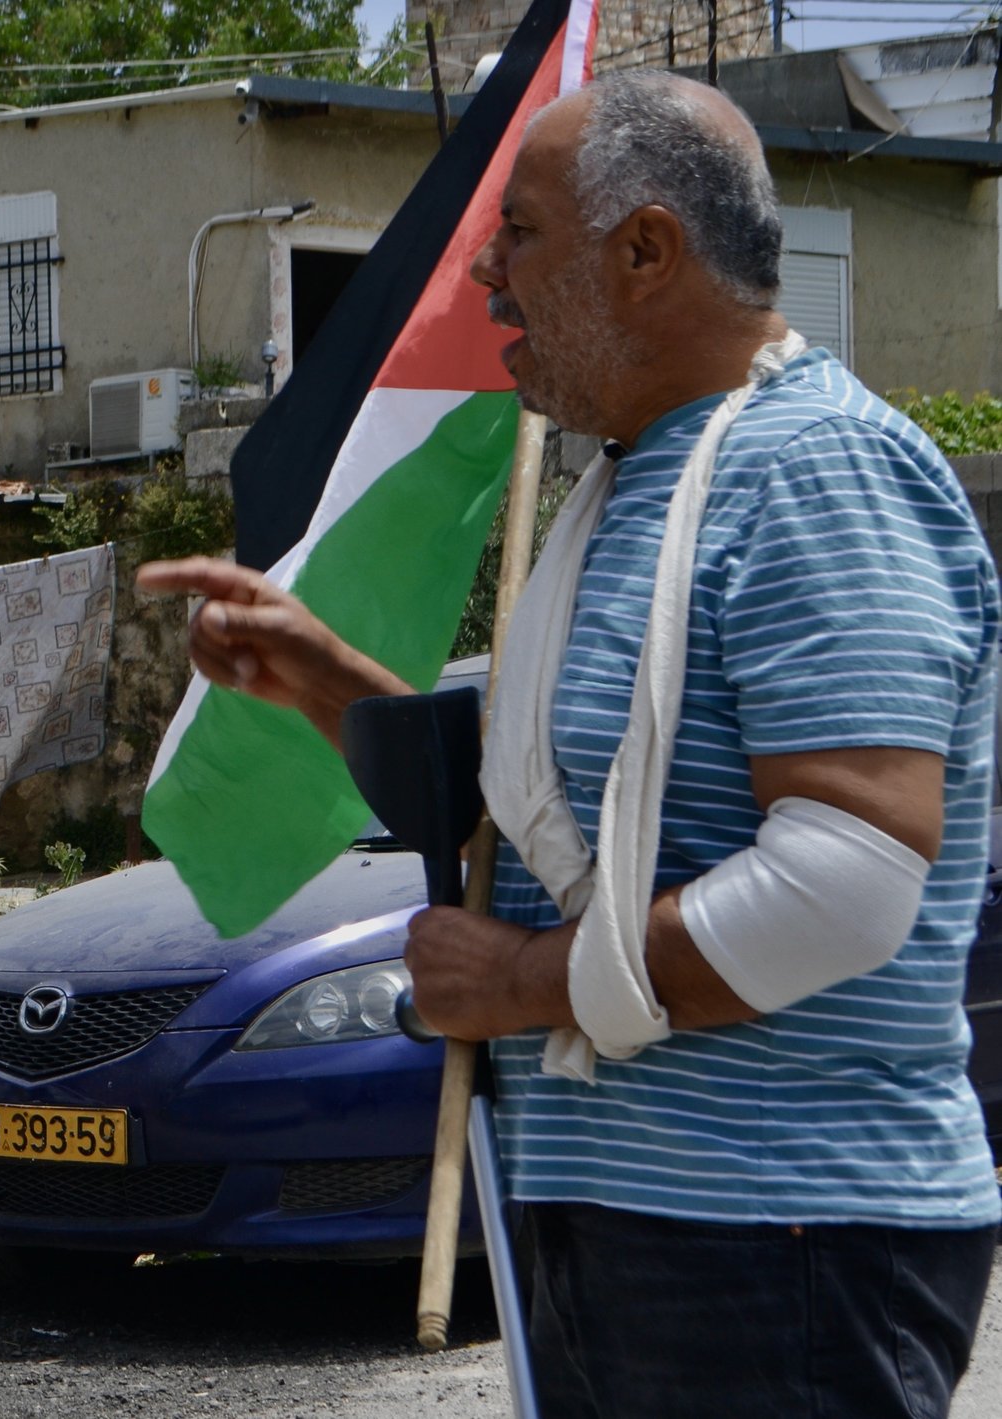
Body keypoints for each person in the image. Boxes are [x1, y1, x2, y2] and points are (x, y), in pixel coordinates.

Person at [143, 70, 997, 1416]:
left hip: (781, 1234)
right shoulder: (640, 478)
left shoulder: (818, 471)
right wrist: (326, 684)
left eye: (521, 231)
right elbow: (560, 825)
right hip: (643, 1226)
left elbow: (847, 881)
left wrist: (528, 980)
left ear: (647, 250)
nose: (484, 269)